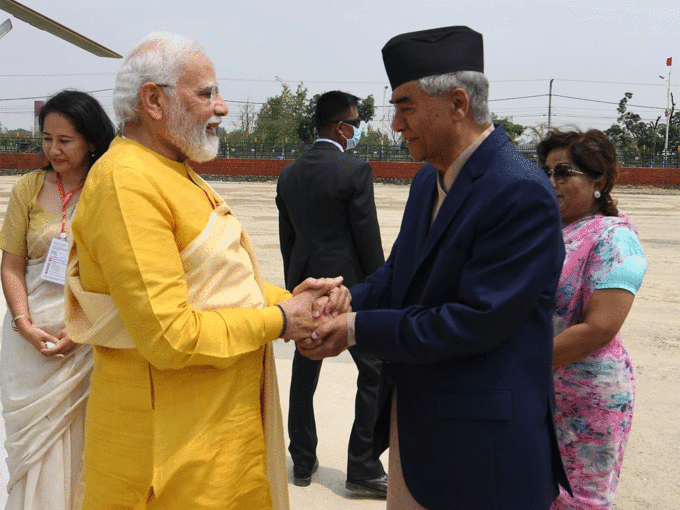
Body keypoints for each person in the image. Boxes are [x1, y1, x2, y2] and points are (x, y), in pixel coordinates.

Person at [63, 33, 347, 510]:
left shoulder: (174, 169)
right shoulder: (127, 182)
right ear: (153, 100)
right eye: (207, 94)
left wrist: (301, 300)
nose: (223, 108)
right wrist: (282, 319)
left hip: (219, 444)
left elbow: (221, 285)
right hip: (168, 461)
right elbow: (170, 335)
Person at [300, 26, 572, 509]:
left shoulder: (518, 190)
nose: (395, 125)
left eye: (405, 108)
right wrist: (337, 299)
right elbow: (398, 275)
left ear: (458, 103)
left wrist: (355, 328)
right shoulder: (430, 180)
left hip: (481, 447)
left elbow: (473, 321)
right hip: (419, 429)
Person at [0, 90, 115, 509]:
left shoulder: (109, 190)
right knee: (31, 452)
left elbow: (120, 274)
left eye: (65, 140)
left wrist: (85, 331)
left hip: (85, 341)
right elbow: (11, 264)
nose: (53, 149)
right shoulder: (28, 188)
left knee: (81, 444)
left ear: (91, 140)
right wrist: (23, 325)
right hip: (28, 342)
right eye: (47, 138)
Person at [276, 91, 387, 494]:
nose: (356, 129)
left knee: (304, 373)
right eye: (355, 123)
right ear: (341, 127)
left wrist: (298, 293)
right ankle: (362, 467)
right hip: (348, 293)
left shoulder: (288, 174)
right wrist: (378, 289)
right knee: (373, 372)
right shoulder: (355, 170)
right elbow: (367, 238)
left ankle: (302, 461)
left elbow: (288, 240)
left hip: (307, 291)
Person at [537, 130, 647, 510]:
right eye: (546, 171)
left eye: (564, 172)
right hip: (540, 388)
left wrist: (520, 363)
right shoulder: (549, 232)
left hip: (588, 395)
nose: (551, 182)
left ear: (598, 181)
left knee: (580, 499)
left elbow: (601, 328)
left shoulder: (616, 239)